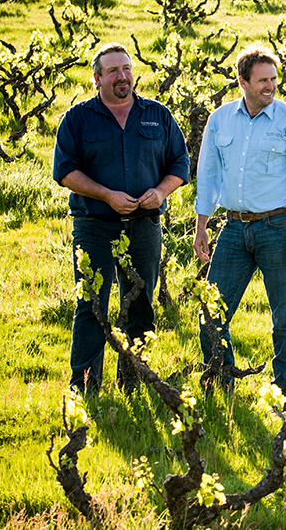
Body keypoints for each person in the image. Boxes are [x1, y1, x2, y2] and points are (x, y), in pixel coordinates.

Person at [53, 42, 189, 393]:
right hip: (94, 225)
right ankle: (85, 386)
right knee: (91, 303)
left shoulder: (157, 115)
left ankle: (132, 380)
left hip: (144, 227)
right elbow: (65, 171)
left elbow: (179, 164)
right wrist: (107, 196)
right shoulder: (78, 118)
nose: (122, 76)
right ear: (97, 79)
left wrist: (160, 192)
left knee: (141, 302)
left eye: (126, 68)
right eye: (113, 71)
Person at [193, 43, 286, 409]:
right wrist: (201, 227)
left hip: (279, 229)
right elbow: (208, 175)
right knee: (211, 311)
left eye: (274, 79)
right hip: (233, 229)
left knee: (284, 317)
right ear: (242, 82)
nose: (271, 86)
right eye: (263, 80)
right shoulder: (220, 120)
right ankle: (222, 383)